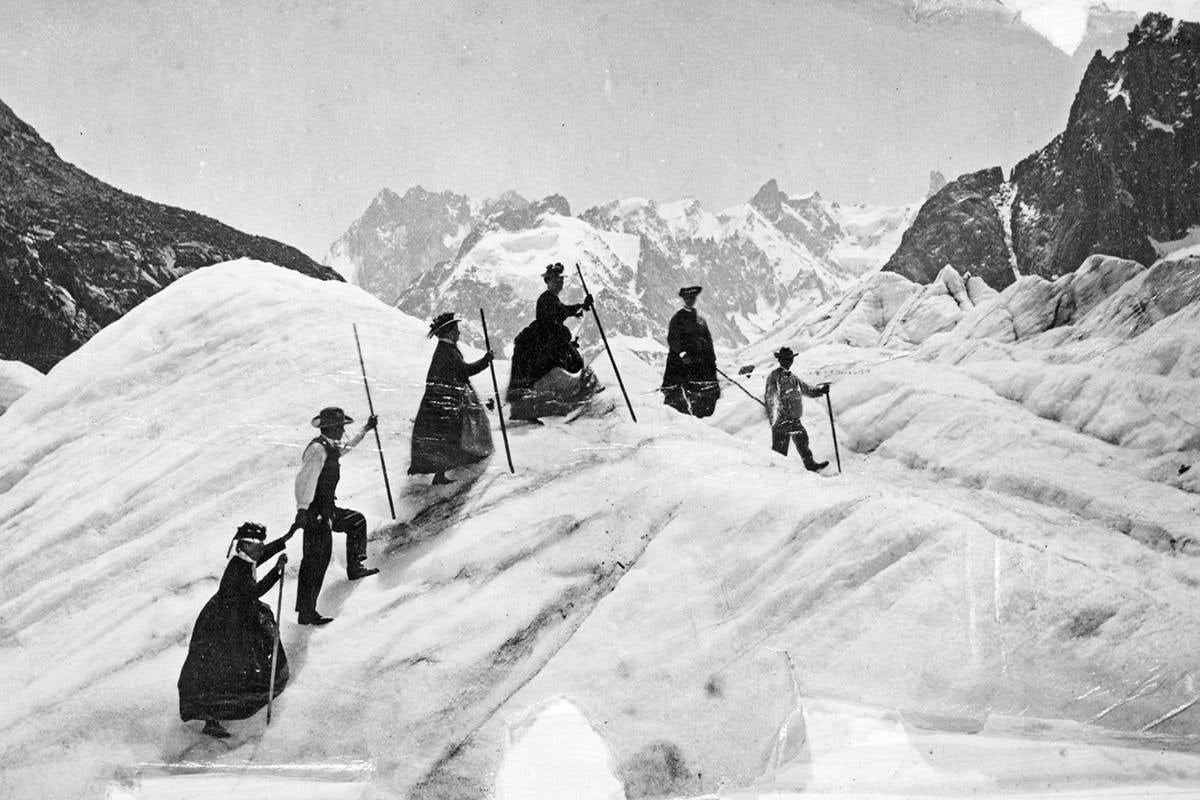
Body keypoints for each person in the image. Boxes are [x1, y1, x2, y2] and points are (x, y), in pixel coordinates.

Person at [178, 522, 291, 738]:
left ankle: (219, 713)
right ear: (244, 546)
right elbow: (254, 591)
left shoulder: (244, 560)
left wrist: (283, 541)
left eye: (259, 545)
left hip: (235, 617)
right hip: (225, 625)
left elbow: (262, 555)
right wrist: (276, 571)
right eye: (254, 545)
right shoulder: (237, 569)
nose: (258, 549)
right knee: (220, 670)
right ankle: (212, 719)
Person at [293, 407, 380, 626]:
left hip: (327, 509)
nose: (343, 431)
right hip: (315, 514)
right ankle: (306, 612)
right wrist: (303, 510)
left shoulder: (330, 447)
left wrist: (366, 430)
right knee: (315, 562)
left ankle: (355, 567)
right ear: (330, 428)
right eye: (340, 427)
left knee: (356, 521)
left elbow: (346, 448)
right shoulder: (317, 450)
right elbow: (305, 481)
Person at [506, 263, 605, 422]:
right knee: (567, 363)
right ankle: (566, 401)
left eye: (561, 281)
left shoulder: (551, 298)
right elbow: (555, 317)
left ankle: (558, 402)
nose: (560, 283)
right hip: (544, 339)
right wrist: (579, 308)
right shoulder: (546, 298)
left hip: (549, 337)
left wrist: (582, 306)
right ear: (548, 282)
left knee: (569, 363)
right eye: (556, 281)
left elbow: (563, 311)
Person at [409, 312, 495, 485]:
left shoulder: (446, 349)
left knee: (447, 435)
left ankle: (448, 469)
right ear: (448, 332)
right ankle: (447, 471)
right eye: (456, 330)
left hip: (442, 400)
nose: (459, 333)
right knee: (448, 436)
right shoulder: (447, 351)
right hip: (444, 402)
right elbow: (465, 371)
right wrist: (486, 360)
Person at [764, 347, 829, 471]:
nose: (788, 362)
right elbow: (770, 399)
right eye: (786, 359)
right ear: (780, 360)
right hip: (782, 422)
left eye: (790, 359)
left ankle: (810, 465)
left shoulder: (793, 378)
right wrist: (775, 421)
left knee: (803, 441)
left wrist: (820, 390)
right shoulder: (775, 377)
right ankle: (776, 475)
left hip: (794, 420)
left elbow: (806, 389)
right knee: (779, 453)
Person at [661, 285, 720, 418]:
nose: (690, 300)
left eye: (692, 298)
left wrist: (712, 359)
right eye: (688, 298)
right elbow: (672, 339)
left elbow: (708, 341)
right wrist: (682, 354)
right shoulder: (677, 319)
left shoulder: (700, 321)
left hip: (699, 363)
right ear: (684, 299)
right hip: (681, 362)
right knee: (678, 392)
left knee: (702, 392)